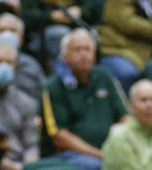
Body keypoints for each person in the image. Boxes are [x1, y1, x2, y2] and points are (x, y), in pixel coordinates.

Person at [40, 28, 126, 170]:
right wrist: (100, 154)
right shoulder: (53, 86)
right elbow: (59, 136)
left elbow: (125, 118)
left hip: (109, 150)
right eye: (77, 50)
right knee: (98, 166)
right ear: (65, 56)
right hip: (70, 155)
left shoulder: (105, 76)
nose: (83, 54)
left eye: (87, 49)